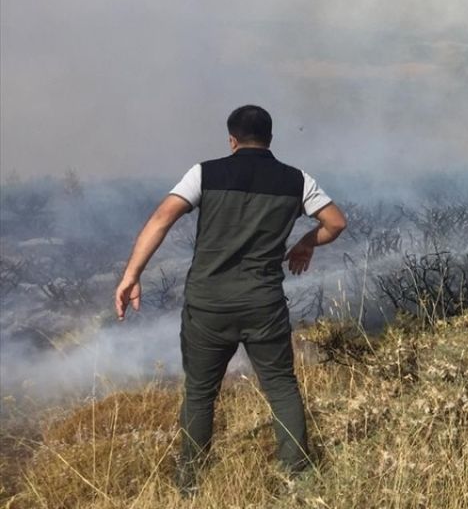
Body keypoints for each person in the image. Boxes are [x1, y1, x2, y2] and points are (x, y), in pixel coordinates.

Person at [113, 105, 346, 495]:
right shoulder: (297, 180)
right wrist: (307, 242)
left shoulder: (204, 172)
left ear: (232, 140)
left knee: (201, 393)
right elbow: (336, 222)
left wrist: (131, 275)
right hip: (263, 304)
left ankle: (189, 483)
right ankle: (298, 479)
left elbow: (161, 219)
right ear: (271, 139)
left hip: (208, 306)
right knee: (281, 386)